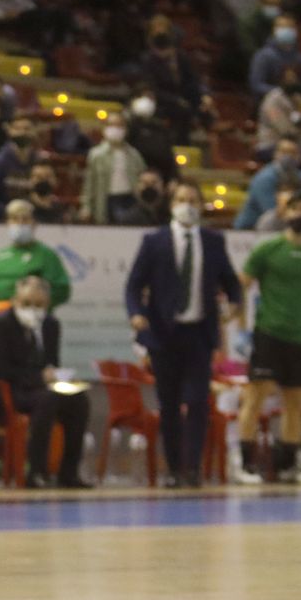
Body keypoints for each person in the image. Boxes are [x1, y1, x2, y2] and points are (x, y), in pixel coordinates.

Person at [125, 182, 243, 487]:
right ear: (171, 204)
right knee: (169, 404)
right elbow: (134, 285)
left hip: (199, 334)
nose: (186, 204)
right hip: (164, 334)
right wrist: (136, 313)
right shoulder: (154, 241)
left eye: (192, 199)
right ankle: (175, 469)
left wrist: (235, 303)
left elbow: (230, 280)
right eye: (180, 199)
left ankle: (193, 469)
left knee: (198, 402)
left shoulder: (213, 241)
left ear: (201, 205)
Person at [234, 204, 301, 484]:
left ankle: (289, 466)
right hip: (269, 333)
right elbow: (242, 284)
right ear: (284, 214)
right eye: (294, 210)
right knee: (255, 398)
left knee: (295, 402)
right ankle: (245, 464)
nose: (299, 215)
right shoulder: (269, 249)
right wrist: (240, 327)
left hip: (300, 336)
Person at [0, 276, 91, 489]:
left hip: (40, 390)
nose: (32, 310)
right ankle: (36, 471)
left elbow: (52, 362)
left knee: (78, 400)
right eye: (26, 304)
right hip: (7, 391)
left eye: (39, 305)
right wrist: (39, 378)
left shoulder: (50, 325)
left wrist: (59, 376)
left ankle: (69, 472)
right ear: (15, 301)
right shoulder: (0, 325)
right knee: (47, 400)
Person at [0, 204, 70, 320]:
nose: (20, 223)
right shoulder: (2, 254)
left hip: (30, 319)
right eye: (15, 219)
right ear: (8, 223)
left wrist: (36, 303)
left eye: (25, 219)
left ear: (34, 224)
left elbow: (62, 289)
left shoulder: (45, 255)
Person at [234, 138, 301, 231]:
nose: (288, 156)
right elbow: (272, 210)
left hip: (290, 227)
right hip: (250, 228)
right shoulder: (264, 178)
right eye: (284, 152)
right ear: (275, 154)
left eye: (293, 152)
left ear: (300, 156)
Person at [79, 119, 145, 223]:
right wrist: (86, 206)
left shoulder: (134, 154)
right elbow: (89, 183)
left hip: (130, 198)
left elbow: (142, 177)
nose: (116, 130)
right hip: (106, 199)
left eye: (120, 126)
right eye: (112, 125)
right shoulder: (96, 154)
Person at [0, 113, 39, 219]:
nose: (22, 132)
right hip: (2, 222)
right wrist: (11, 212)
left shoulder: (39, 162)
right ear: (9, 131)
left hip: (34, 221)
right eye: (17, 128)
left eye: (27, 128)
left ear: (34, 132)